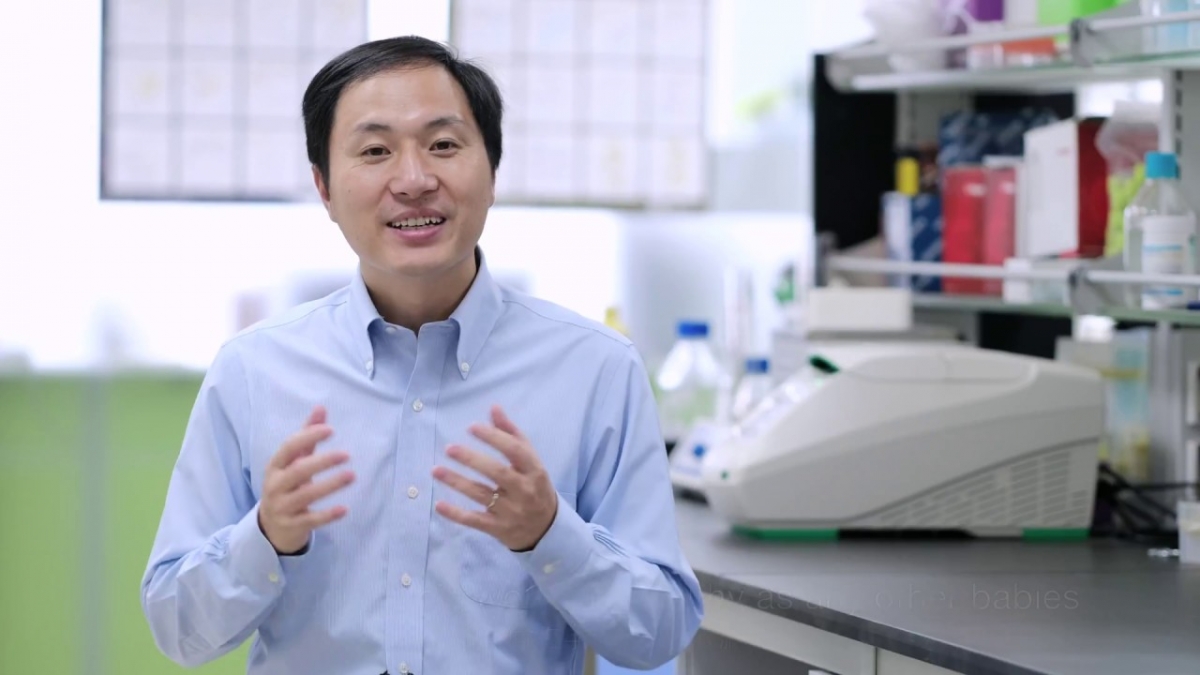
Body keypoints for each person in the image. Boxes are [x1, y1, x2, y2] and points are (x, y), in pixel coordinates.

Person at [140, 35, 704, 675]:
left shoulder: (595, 370)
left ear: (492, 172)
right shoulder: (253, 370)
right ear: (324, 188)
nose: (413, 180)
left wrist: (551, 534)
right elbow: (178, 631)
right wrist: (265, 539)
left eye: (442, 145)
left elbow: (660, 632)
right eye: (375, 151)